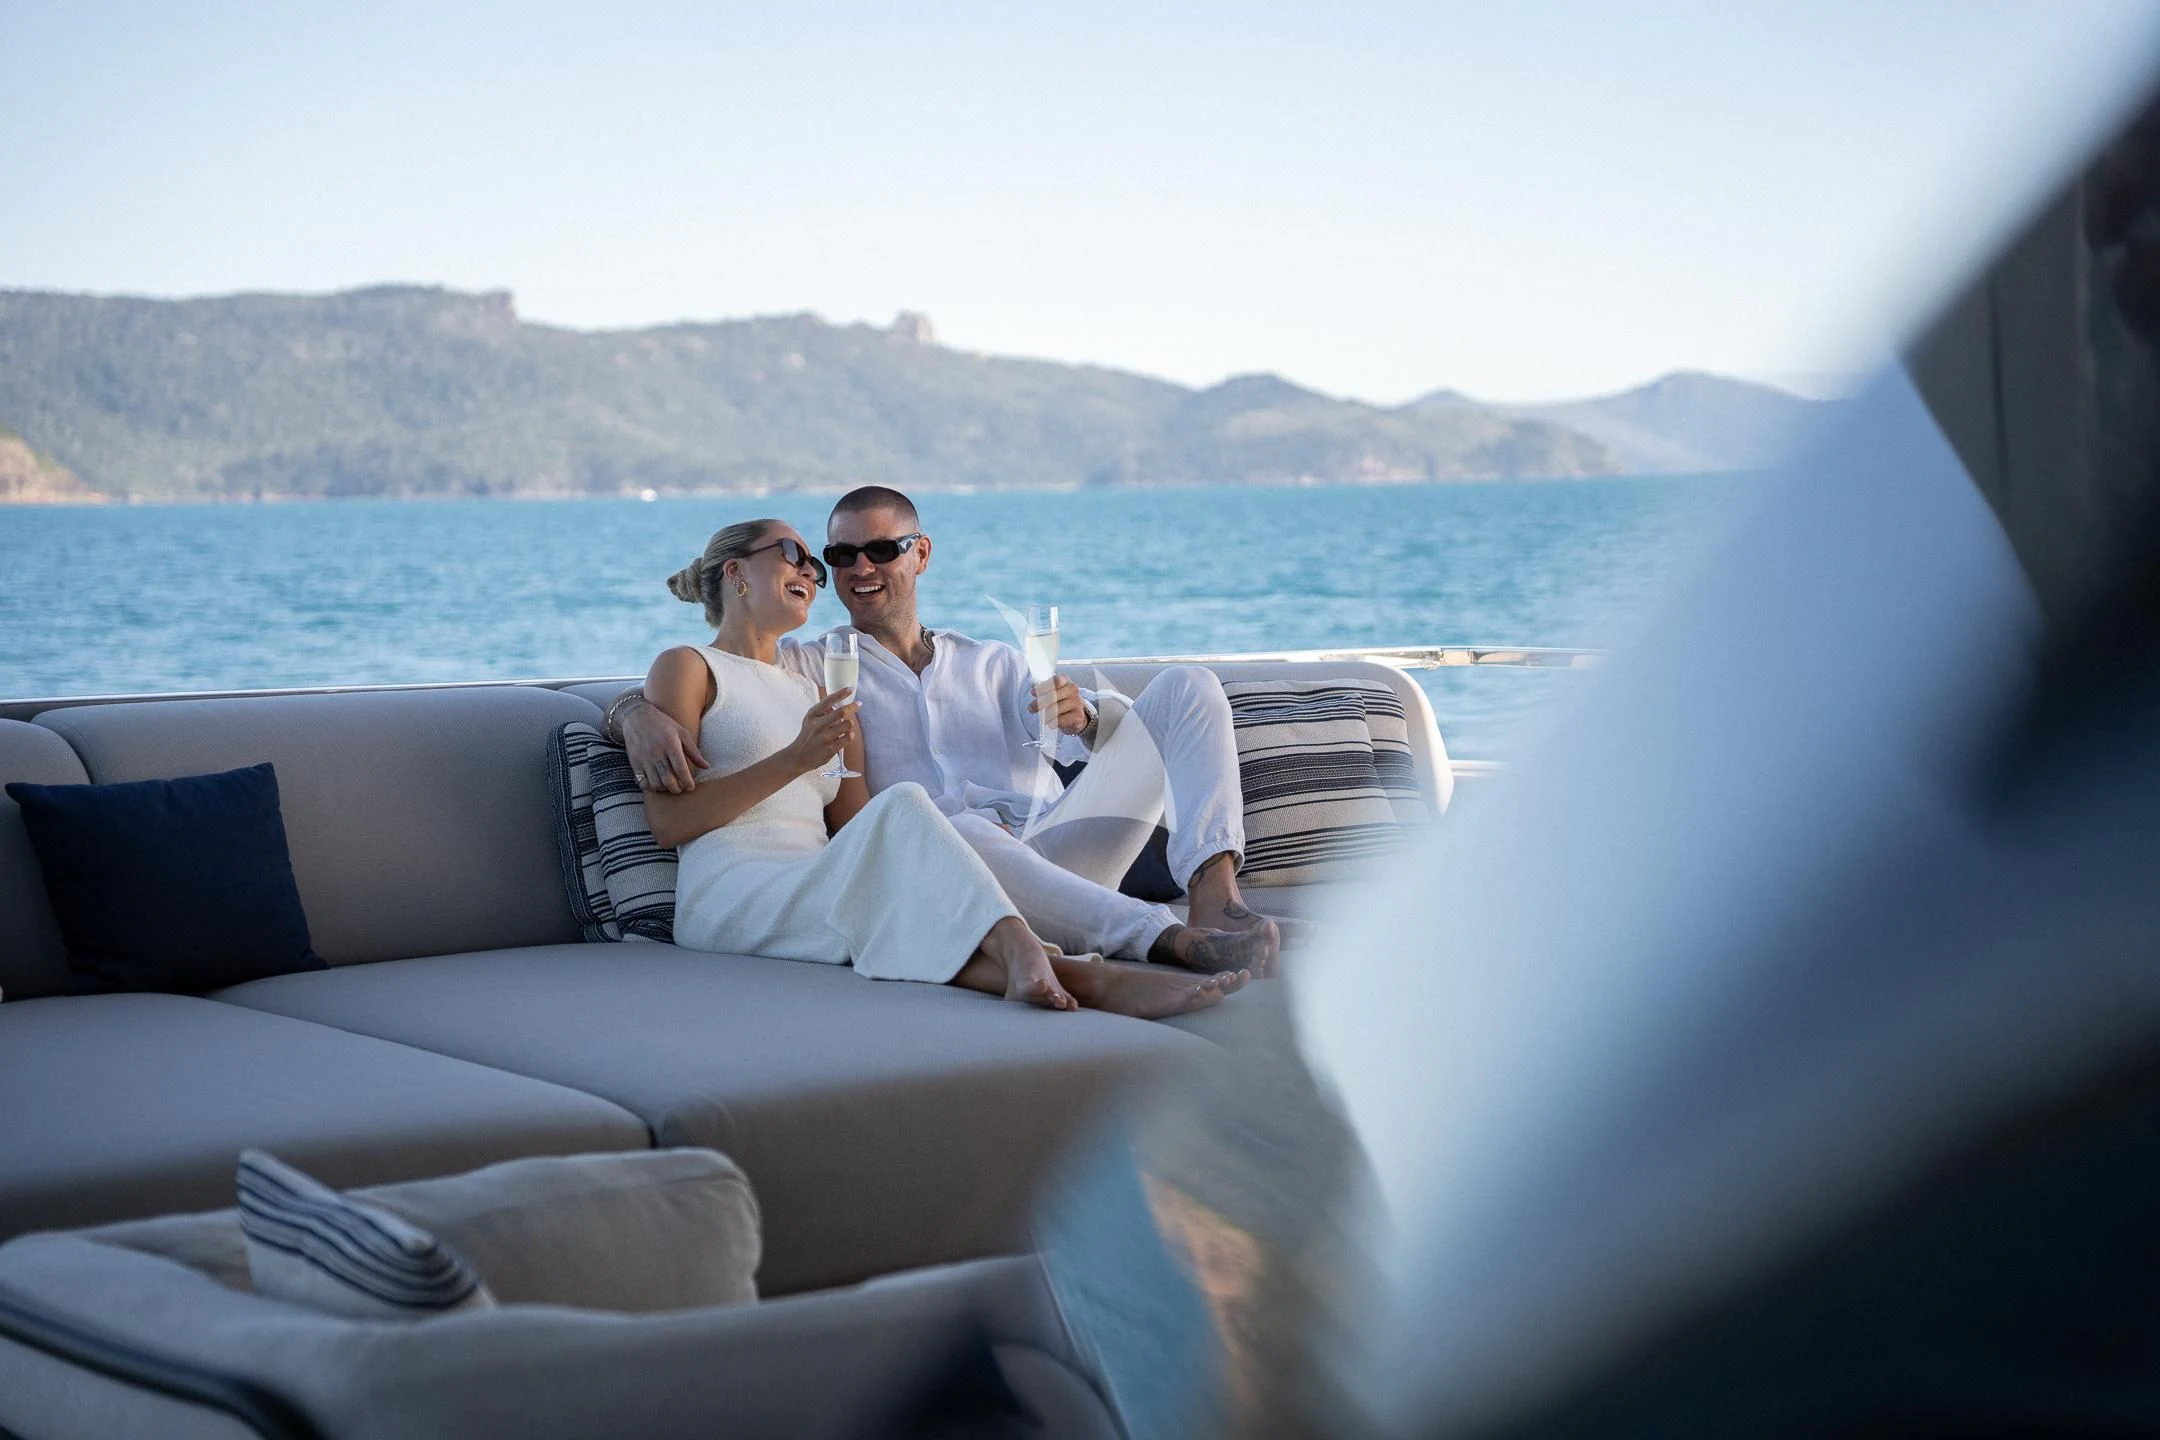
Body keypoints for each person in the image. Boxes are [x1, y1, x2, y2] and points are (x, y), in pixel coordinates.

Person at [612, 486, 1282, 978]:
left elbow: (1132, 742)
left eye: (881, 549)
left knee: (1189, 686)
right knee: (952, 824)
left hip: (1063, 852)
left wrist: (1087, 719)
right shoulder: (812, 666)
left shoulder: (995, 662)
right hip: (953, 875)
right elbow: (724, 676)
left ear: (921, 554)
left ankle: (1216, 900)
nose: (859, 568)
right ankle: (1158, 938)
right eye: (840, 555)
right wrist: (633, 714)